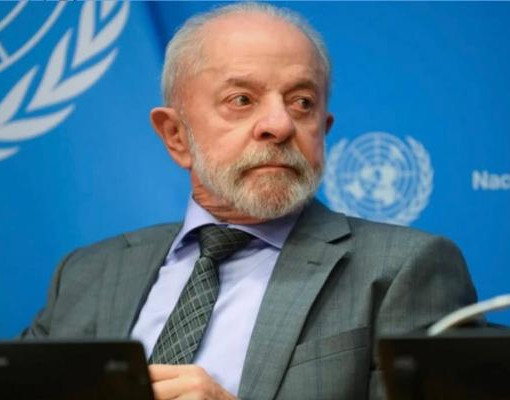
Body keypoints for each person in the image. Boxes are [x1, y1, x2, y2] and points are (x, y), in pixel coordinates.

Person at [22, 2, 478, 399]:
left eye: (302, 103)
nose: (280, 125)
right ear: (176, 135)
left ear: (323, 130)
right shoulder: (86, 274)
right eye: (242, 99)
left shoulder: (404, 268)